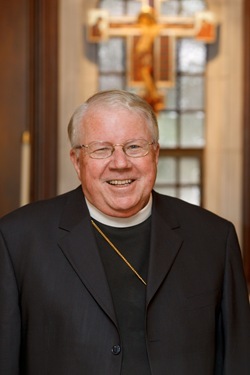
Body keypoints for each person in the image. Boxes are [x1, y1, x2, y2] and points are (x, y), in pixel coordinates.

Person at [0, 89, 249, 375]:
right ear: (76, 161)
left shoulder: (215, 238)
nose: (120, 163)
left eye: (134, 147)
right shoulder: (17, 239)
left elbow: (237, 359)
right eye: (101, 149)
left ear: (155, 153)